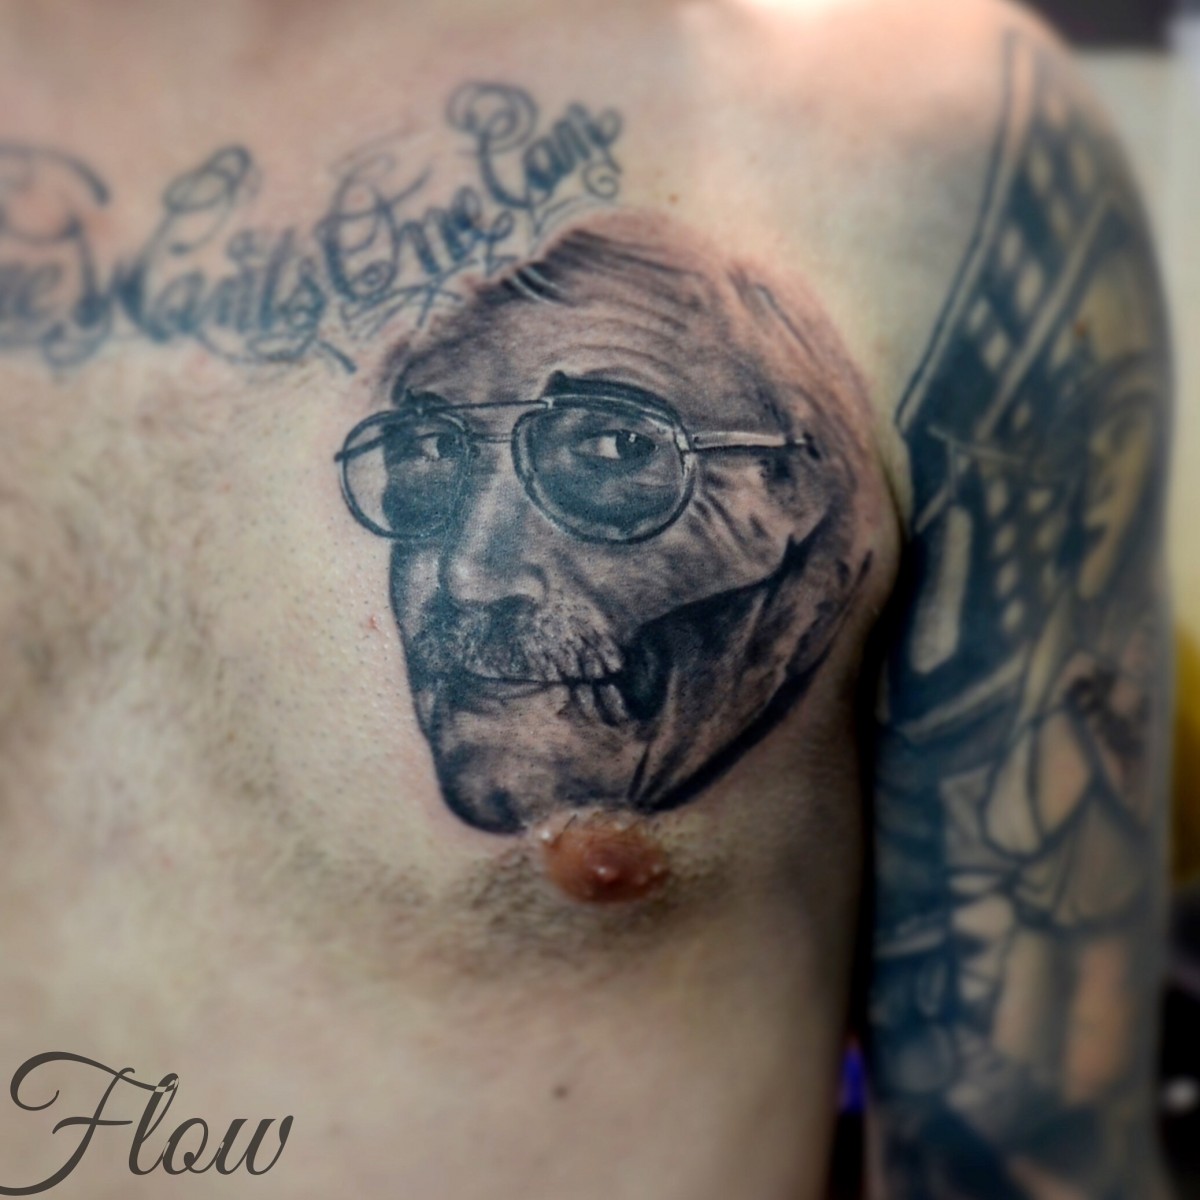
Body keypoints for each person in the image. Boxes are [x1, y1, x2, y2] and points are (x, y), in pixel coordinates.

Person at [0, 1, 1173, 1197]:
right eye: (427, 460)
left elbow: (1026, 1149)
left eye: (612, 453)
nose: (469, 574)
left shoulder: (925, 125)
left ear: (792, 492)